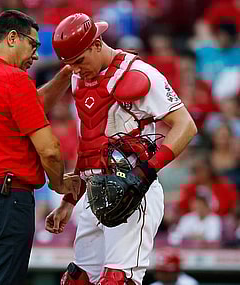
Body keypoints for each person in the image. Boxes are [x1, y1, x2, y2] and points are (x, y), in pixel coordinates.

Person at [45, 13, 197, 285]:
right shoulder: (78, 79)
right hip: (94, 192)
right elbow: (89, 145)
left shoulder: (139, 73)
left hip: (132, 192)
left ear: (96, 43)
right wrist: (69, 201)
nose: (76, 69)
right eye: (70, 64)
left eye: (79, 61)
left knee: (117, 280)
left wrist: (145, 173)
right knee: (77, 280)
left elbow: (186, 126)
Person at [0, 10, 80, 285]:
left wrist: (65, 75)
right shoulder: (14, 80)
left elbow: (27, 106)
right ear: (12, 37)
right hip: (5, 200)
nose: (35, 55)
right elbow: (50, 150)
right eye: (32, 45)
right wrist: (58, 184)